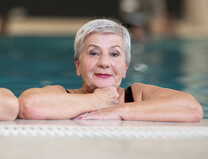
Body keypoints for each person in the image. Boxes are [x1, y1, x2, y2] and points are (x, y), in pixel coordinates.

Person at [18, 19, 203, 122]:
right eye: (93, 53)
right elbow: (28, 106)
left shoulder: (137, 95)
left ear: (125, 68)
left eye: (114, 54)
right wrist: (96, 100)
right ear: (77, 65)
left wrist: (119, 111)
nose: (104, 62)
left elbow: (192, 108)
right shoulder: (61, 94)